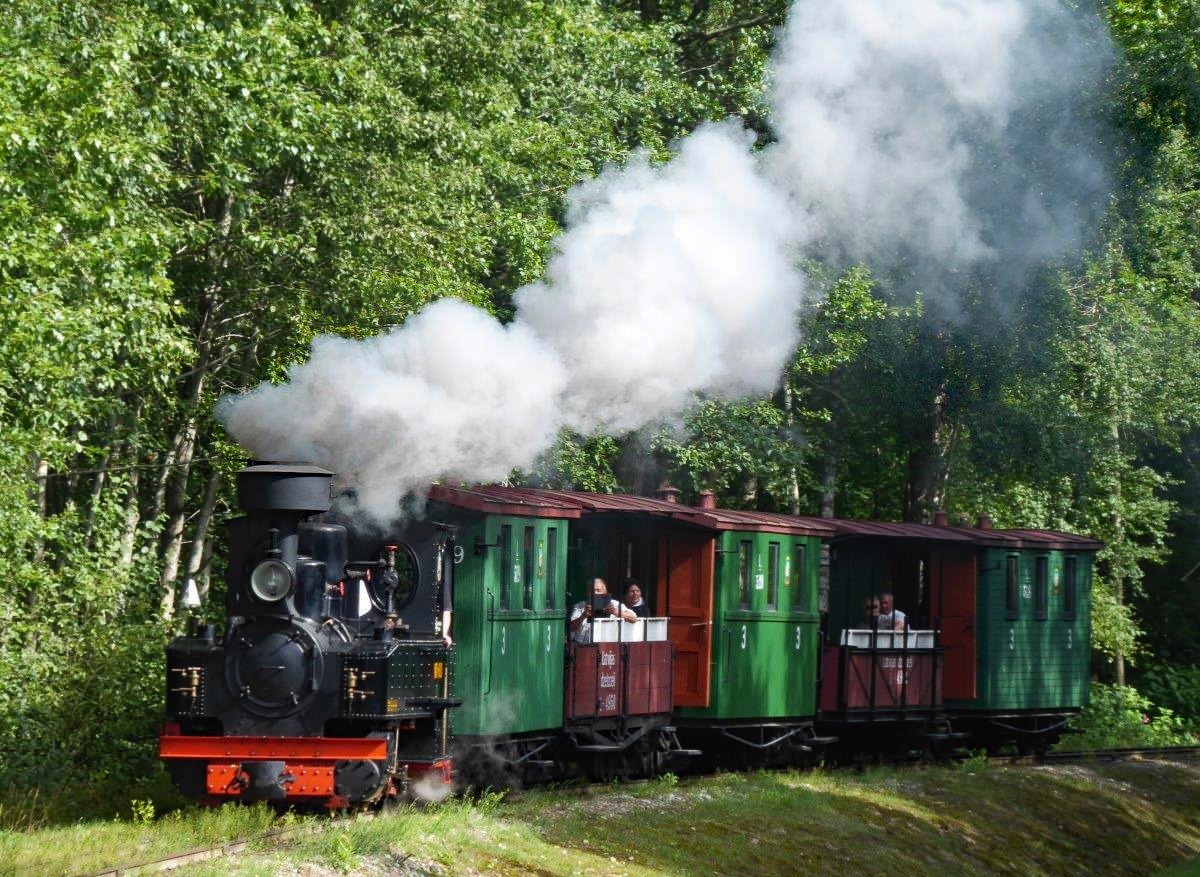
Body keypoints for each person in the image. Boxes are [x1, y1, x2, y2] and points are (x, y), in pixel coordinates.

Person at [569, 577, 636, 644]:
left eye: (598, 590)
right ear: (587, 592)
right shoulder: (580, 606)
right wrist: (583, 616)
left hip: (609, 647)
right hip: (584, 647)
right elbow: (571, 628)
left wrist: (615, 612)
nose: (594, 593)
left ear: (605, 592)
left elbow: (633, 618)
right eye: (592, 590)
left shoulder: (614, 604)